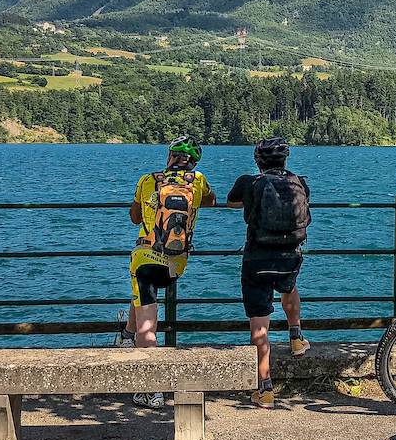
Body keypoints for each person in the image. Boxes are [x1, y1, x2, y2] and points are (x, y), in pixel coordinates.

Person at [121, 136, 215, 408]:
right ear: (194, 161)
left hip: (146, 258)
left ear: (169, 156)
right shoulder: (198, 181)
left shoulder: (147, 180)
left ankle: (153, 390)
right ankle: (127, 336)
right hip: (176, 263)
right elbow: (211, 201)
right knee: (142, 299)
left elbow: (135, 218)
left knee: (148, 325)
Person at [226, 137, 312, 408]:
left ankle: (265, 389)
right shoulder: (300, 182)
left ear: (258, 161)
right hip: (289, 256)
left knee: (259, 325)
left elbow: (232, 203)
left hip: (256, 260)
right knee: (289, 287)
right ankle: (296, 337)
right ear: (285, 160)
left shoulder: (248, 182)